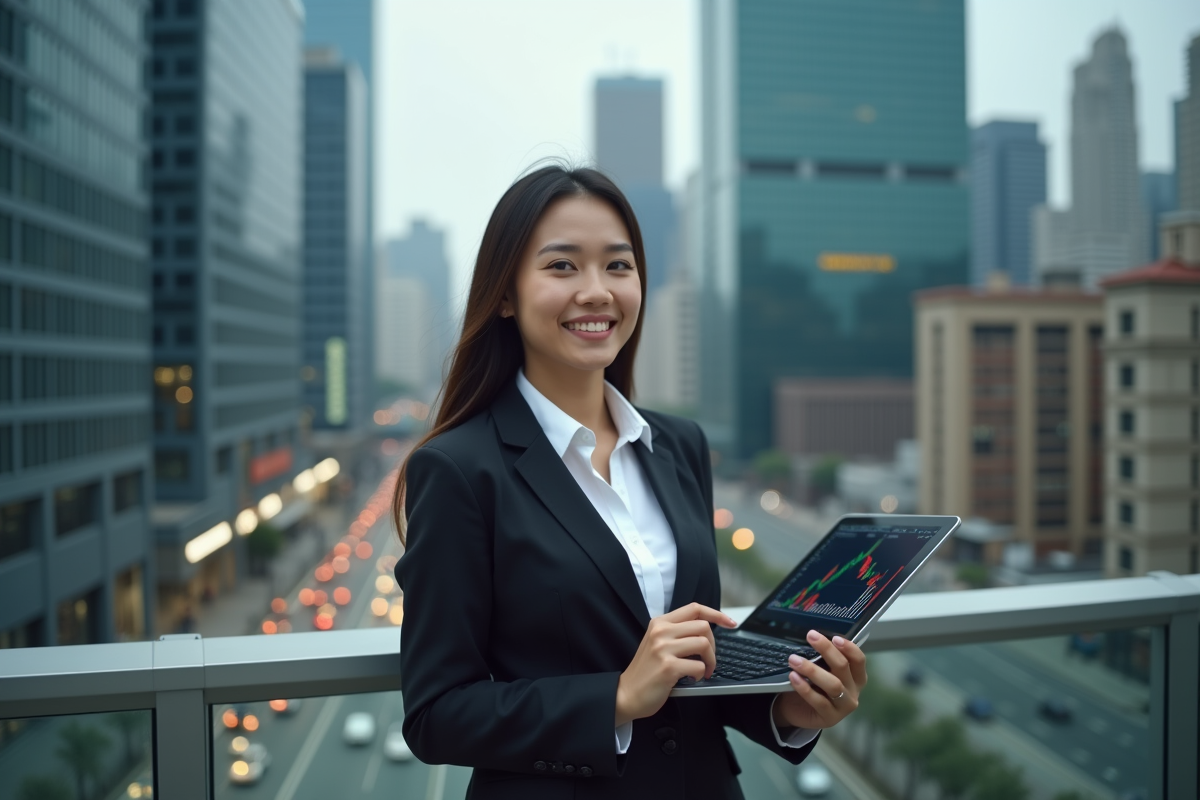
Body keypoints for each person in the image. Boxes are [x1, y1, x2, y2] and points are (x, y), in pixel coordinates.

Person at [392, 165, 867, 799]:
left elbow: (694, 674)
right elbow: (436, 716)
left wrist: (789, 712)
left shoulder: (678, 446)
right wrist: (615, 697)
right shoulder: (458, 470)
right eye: (562, 267)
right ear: (504, 295)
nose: (597, 291)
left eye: (619, 266)